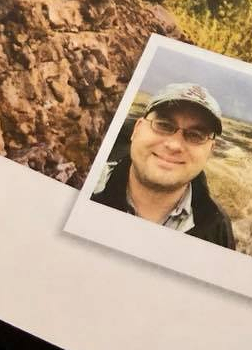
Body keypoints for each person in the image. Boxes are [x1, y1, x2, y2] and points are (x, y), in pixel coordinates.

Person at [92, 82, 235, 249]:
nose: (174, 145)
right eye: (164, 125)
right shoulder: (86, 183)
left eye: (195, 135)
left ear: (210, 150)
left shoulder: (217, 227)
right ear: (137, 129)